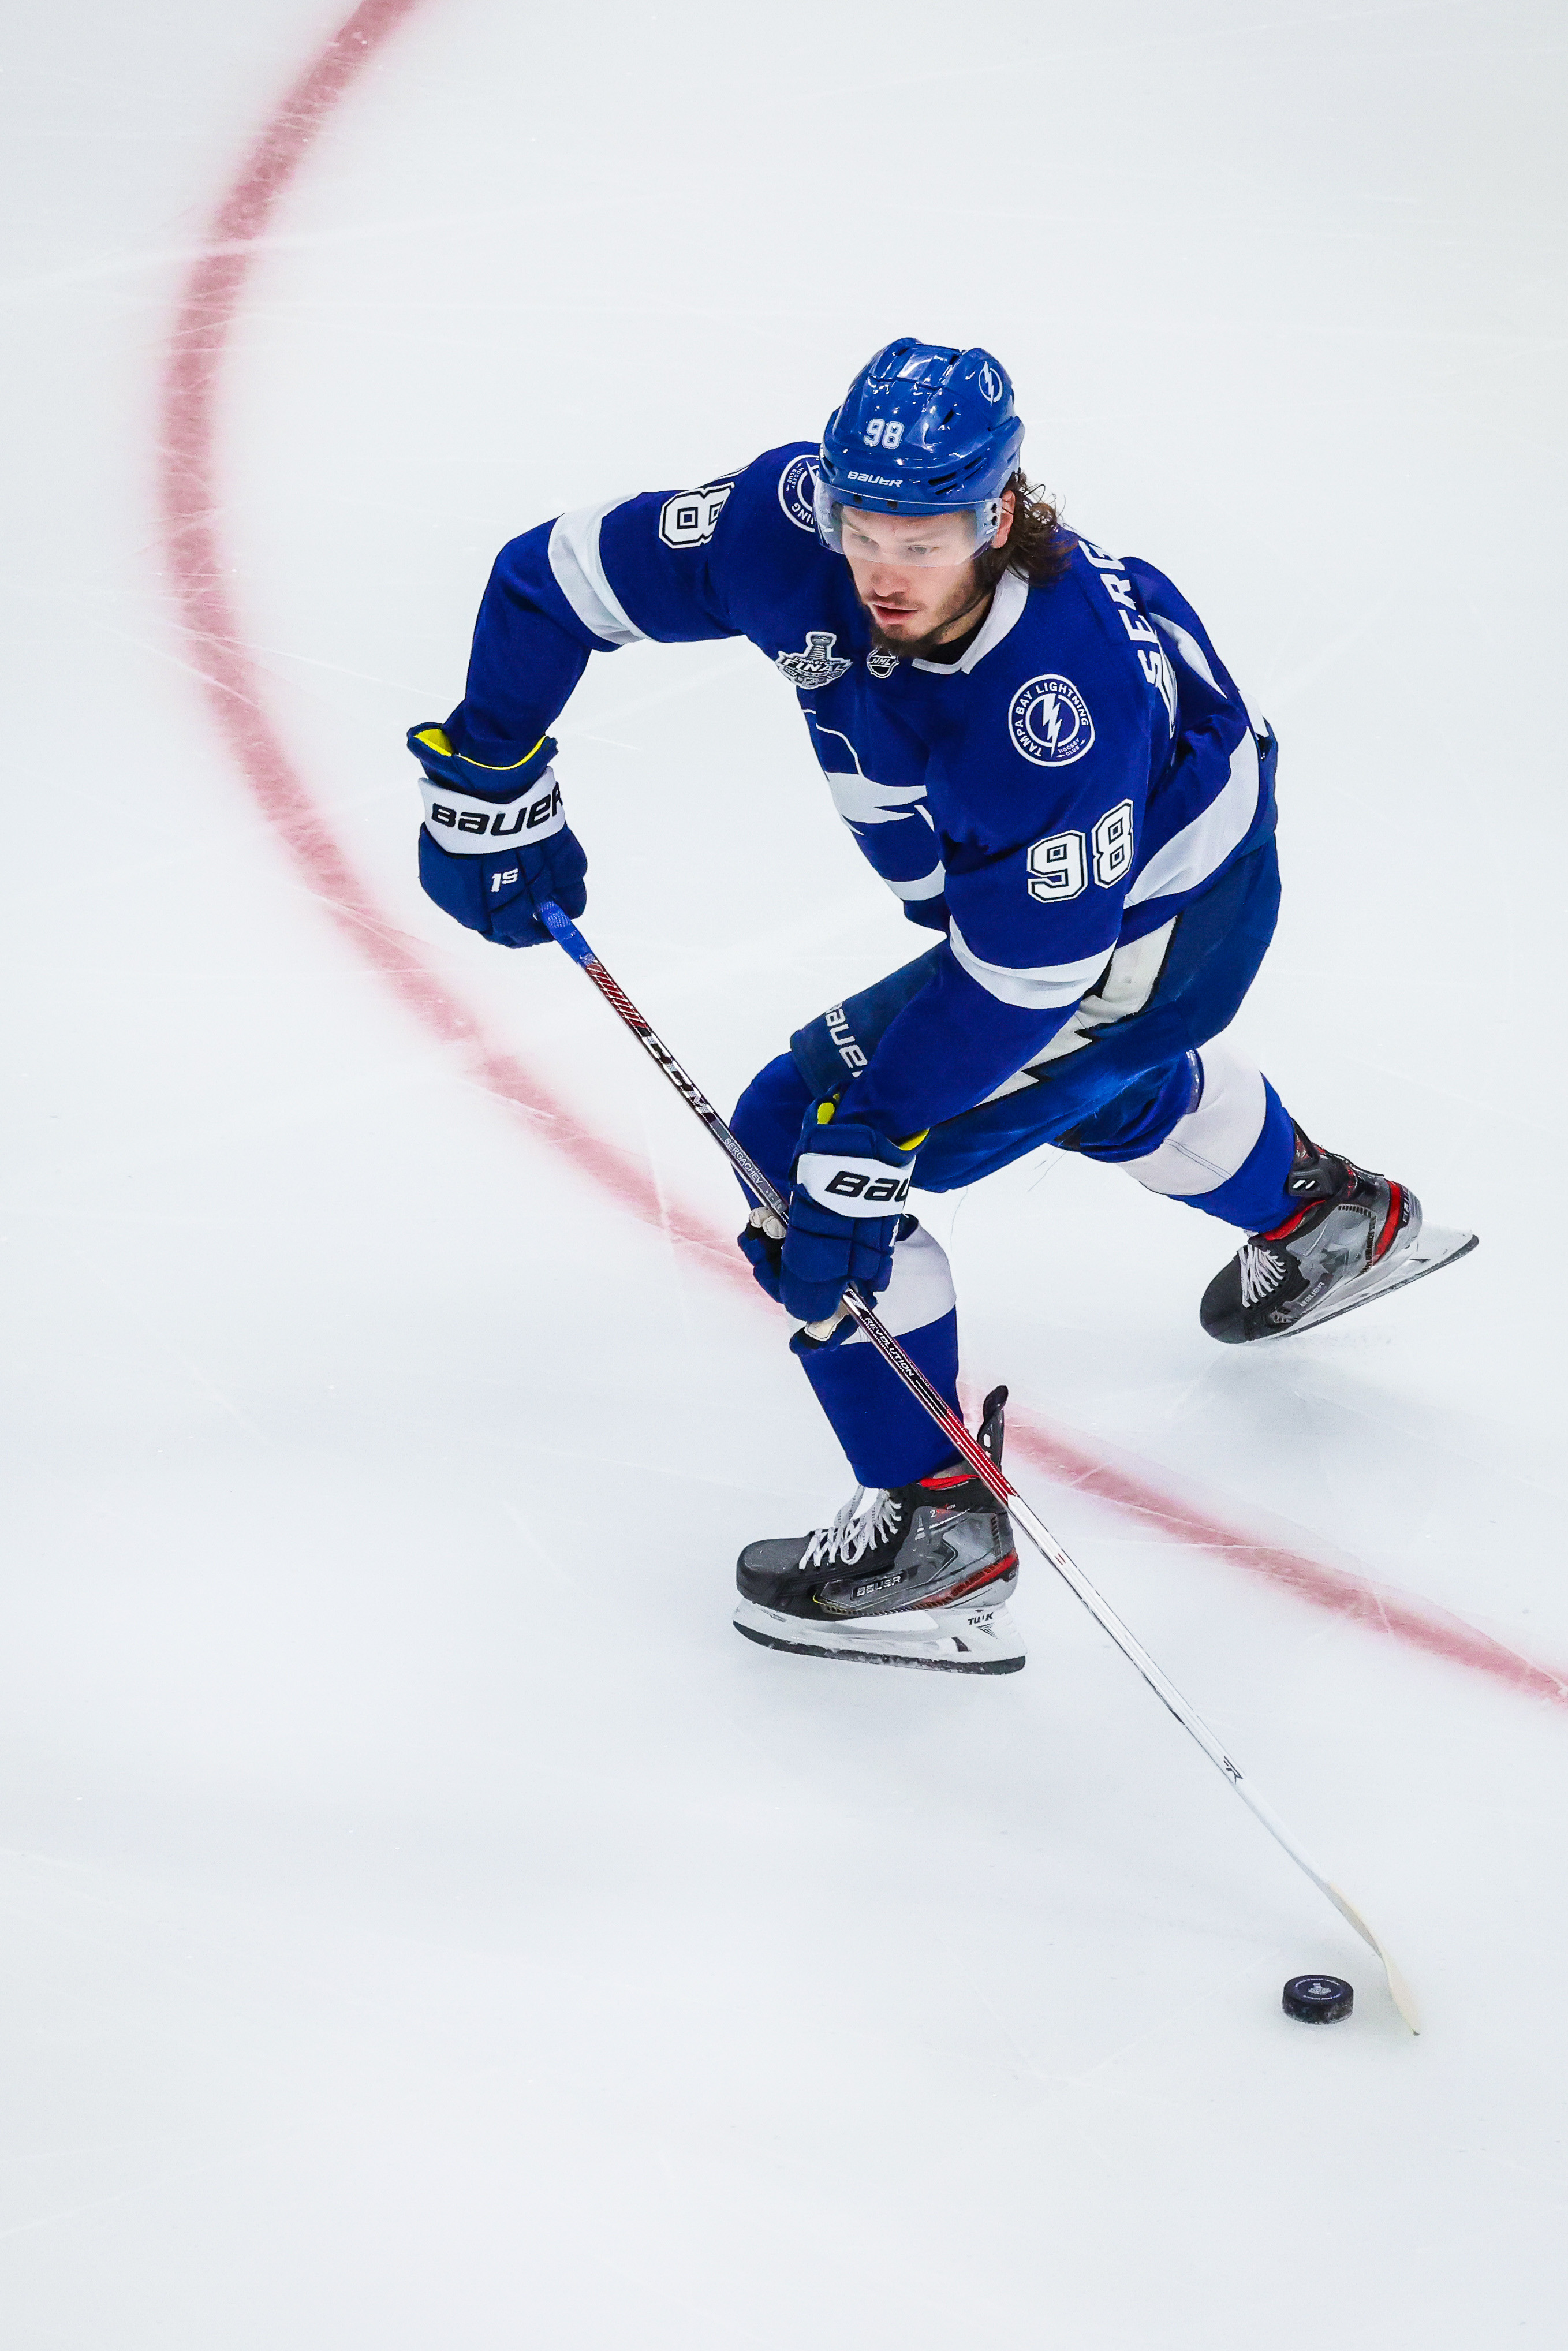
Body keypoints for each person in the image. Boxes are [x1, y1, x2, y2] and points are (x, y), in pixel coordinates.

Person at [408, 338, 1472, 1675]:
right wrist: (490, 765)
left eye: (922, 536)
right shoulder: (783, 526)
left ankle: (934, 1529)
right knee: (1074, 1085)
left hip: (1154, 929)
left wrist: (867, 1148)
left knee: (805, 1139)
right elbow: (552, 576)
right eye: (861, 527)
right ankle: (1323, 1215)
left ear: (1001, 513)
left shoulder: (1050, 711)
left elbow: (1027, 979)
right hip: (1067, 916)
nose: (881, 570)